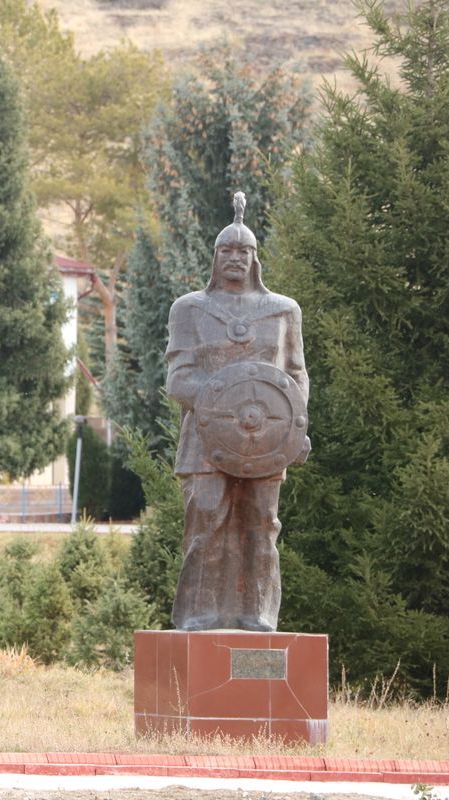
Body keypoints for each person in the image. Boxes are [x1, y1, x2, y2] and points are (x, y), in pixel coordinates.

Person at [165, 192, 309, 632]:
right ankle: (199, 611)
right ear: (215, 257)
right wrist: (221, 402)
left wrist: (294, 428)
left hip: (267, 440)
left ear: (254, 259)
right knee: (206, 519)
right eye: (227, 250)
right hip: (206, 438)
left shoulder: (283, 311)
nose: (235, 258)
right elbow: (178, 378)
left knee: (262, 524)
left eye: (243, 251)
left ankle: (258, 611)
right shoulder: (189, 309)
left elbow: (295, 376)